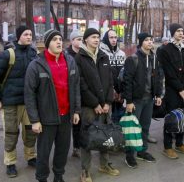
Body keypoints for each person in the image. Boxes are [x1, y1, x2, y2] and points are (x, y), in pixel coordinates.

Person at [25, 29, 81, 182]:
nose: (58, 42)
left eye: (60, 39)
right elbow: (29, 95)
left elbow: (75, 87)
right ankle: (42, 178)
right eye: (55, 39)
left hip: (66, 116)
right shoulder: (36, 65)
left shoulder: (70, 61)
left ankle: (58, 176)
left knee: (62, 150)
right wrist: (35, 120)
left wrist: (76, 110)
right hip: (46, 118)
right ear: (48, 43)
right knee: (43, 153)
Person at [0, 25, 37, 178]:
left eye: (30, 34)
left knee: (30, 132)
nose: (29, 37)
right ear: (18, 36)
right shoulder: (7, 54)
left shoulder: (34, 53)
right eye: (25, 34)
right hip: (10, 102)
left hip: (29, 102)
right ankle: (10, 162)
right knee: (11, 133)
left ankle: (30, 157)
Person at [75, 28, 120, 182]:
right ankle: (85, 170)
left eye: (98, 37)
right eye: (93, 37)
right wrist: (95, 103)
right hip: (89, 106)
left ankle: (104, 164)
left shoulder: (103, 56)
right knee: (88, 137)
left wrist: (108, 102)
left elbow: (110, 81)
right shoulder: (79, 58)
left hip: (105, 105)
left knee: (106, 135)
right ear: (86, 39)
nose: (96, 39)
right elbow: (81, 84)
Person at [123, 33, 163, 168]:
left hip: (149, 99)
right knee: (132, 129)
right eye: (146, 40)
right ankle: (129, 156)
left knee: (145, 127)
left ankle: (142, 151)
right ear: (141, 43)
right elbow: (127, 81)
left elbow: (158, 77)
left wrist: (158, 95)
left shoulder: (154, 57)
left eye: (151, 40)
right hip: (136, 100)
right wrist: (128, 101)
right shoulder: (133, 59)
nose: (150, 42)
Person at [157, 23, 184, 159]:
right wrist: (179, 89)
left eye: (182, 31)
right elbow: (168, 72)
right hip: (172, 90)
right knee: (171, 118)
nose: (180, 33)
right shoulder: (165, 50)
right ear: (172, 32)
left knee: (182, 117)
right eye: (178, 31)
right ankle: (168, 147)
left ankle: (180, 144)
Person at [99, 29, 126, 123]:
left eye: (115, 37)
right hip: (107, 93)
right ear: (106, 38)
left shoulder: (122, 54)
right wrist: (111, 90)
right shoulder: (100, 53)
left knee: (118, 120)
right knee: (107, 121)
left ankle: (117, 137)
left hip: (119, 94)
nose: (114, 40)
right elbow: (102, 75)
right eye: (111, 37)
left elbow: (124, 73)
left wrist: (122, 92)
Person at [66, 30, 83, 158]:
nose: (80, 41)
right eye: (77, 39)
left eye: (82, 38)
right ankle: (76, 147)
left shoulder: (84, 53)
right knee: (74, 123)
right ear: (72, 41)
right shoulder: (66, 55)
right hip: (71, 92)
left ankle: (81, 145)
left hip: (83, 91)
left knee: (83, 122)